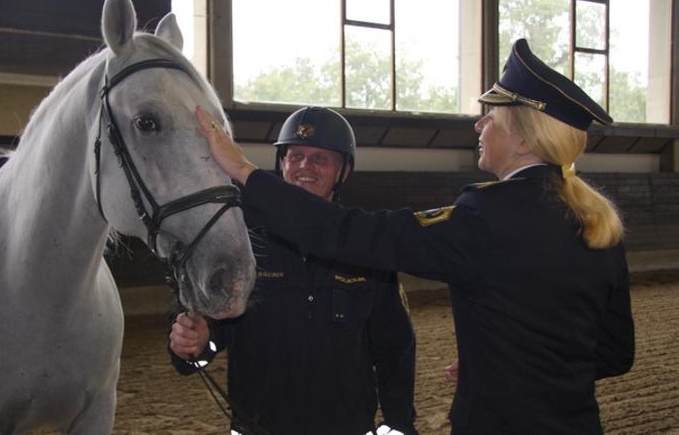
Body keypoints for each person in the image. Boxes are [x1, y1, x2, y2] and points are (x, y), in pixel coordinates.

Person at [196, 39, 635, 434]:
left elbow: (349, 233)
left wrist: (241, 169)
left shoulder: (486, 215)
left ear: (522, 138)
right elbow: (616, 353)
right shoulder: (598, 222)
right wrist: (505, 367)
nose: (479, 126)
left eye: (491, 118)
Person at [169, 107, 419, 435]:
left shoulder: (364, 250)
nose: (304, 167)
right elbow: (203, 341)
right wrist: (196, 344)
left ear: (343, 171)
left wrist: (399, 423)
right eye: (296, 155)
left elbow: (394, 348)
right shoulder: (240, 246)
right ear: (282, 163)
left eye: (320, 159)